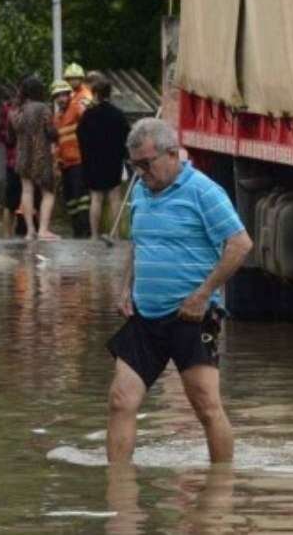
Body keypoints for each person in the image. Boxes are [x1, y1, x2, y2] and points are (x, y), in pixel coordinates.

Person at [106, 118, 252, 465]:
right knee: (120, 399)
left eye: (146, 164)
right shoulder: (141, 190)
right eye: (134, 166)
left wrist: (203, 295)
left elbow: (240, 244)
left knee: (206, 407)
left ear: (173, 154)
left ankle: (221, 487)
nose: (140, 173)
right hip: (146, 315)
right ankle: (119, 495)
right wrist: (127, 286)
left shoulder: (204, 191)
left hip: (191, 317)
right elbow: (139, 243)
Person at [77, 76, 130, 239]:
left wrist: (87, 153)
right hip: (113, 160)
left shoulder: (88, 115)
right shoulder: (118, 115)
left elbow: (80, 135)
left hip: (93, 160)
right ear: (109, 94)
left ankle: (94, 234)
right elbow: (127, 136)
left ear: (95, 94)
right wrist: (123, 155)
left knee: (96, 198)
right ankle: (116, 235)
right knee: (115, 198)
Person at [11, 75, 59, 240]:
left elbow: (14, 129)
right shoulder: (44, 108)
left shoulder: (20, 109)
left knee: (26, 191)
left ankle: (30, 230)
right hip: (41, 155)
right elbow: (51, 131)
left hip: (23, 155)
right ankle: (43, 230)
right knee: (48, 192)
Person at [53, 64, 92, 238]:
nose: (61, 99)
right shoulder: (57, 117)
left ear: (69, 95)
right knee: (70, 200)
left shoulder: (77, 107)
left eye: (63, 95)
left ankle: (85, 231)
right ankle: (77, 231)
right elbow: (58, 142)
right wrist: (57, 161)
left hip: (79, 161)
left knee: (81, 198)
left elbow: (89, 122)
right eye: (57, 96)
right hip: (66, 164)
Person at [0, 84, 22, 238]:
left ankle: (17, 232)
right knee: (10, 201)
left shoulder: (26, 109)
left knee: (22, 199)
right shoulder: (7, 109)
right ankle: (7, 235)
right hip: (13, 160)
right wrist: (10, 139)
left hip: (22, 160)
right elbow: (0, 133)